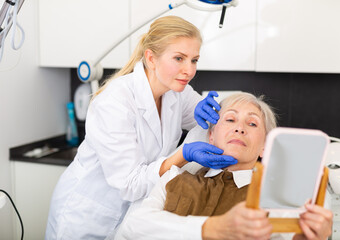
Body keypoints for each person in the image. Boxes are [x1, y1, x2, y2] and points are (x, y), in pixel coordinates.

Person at [45, 16, 237, 240]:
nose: (189, 70)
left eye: (194, 60)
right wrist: (182, 156)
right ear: (151, 58)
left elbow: (211, 124)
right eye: (179, 58)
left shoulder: (178, 90)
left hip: (133, 215)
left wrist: (216, 114)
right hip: (88, 215)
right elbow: (130, 184)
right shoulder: (115, 102)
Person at [118, 92, 333, 240]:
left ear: (265, 148)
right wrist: (211, 229)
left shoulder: (276, 199)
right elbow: (132, 228)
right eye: (230, 120)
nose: (239, 128)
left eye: (252, 123)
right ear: (211, 136)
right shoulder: (175, 178)